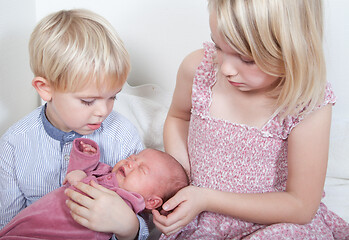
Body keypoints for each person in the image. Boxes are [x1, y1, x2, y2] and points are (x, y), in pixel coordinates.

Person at [152, 0, 349, 239]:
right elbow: (178, 117)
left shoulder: (307, 104)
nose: (226, 69)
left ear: (293, 50)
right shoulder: (198, 69)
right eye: (219, 46)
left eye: (246, 59)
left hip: (273, 221)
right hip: (200, 218)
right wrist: (183, 179)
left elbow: (301, 206)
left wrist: (207, 198)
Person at [0, 9, 149, 240]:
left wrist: (129, 227)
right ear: (45, 89)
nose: (103, 111)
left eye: (113, 97)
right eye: (88, 101)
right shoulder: (14, 143)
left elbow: (143, 210)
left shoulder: (122, 135)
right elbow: (8, 224)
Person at [0, 138, 189, 239]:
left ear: (152, 201)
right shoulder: (103, 171)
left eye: (141, 168)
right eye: (133, 158)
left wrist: (130, 226)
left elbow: (137, 234)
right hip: (33, 221)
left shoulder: (128, 208)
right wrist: (86, 156)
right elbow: (78, 172)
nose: (130, 163)